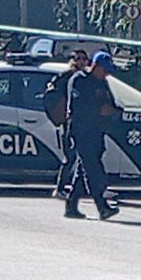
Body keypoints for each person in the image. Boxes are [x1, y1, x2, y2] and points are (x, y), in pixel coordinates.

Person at [63, 51, 120, 220]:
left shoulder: (102, 83)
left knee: (84, 169)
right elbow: (78, 108)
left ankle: (71, 205)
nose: (107, 74)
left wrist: (112, 112)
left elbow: (111, 104)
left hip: (97, 132)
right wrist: (99, 111)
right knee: (93, 170)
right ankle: (102, 206)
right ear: (96, 66)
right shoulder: (80, 80)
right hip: (81, 132)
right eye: (105, 70)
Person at [44, 49, 89, 199]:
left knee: (81, 156)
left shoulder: (82, 77)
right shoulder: (68, 77)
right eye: (78, 58)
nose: (82, 61)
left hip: (80, 122)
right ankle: (61, 188)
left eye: (84, 59)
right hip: (70, 123)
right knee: (71, 156)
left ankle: (81, 188)